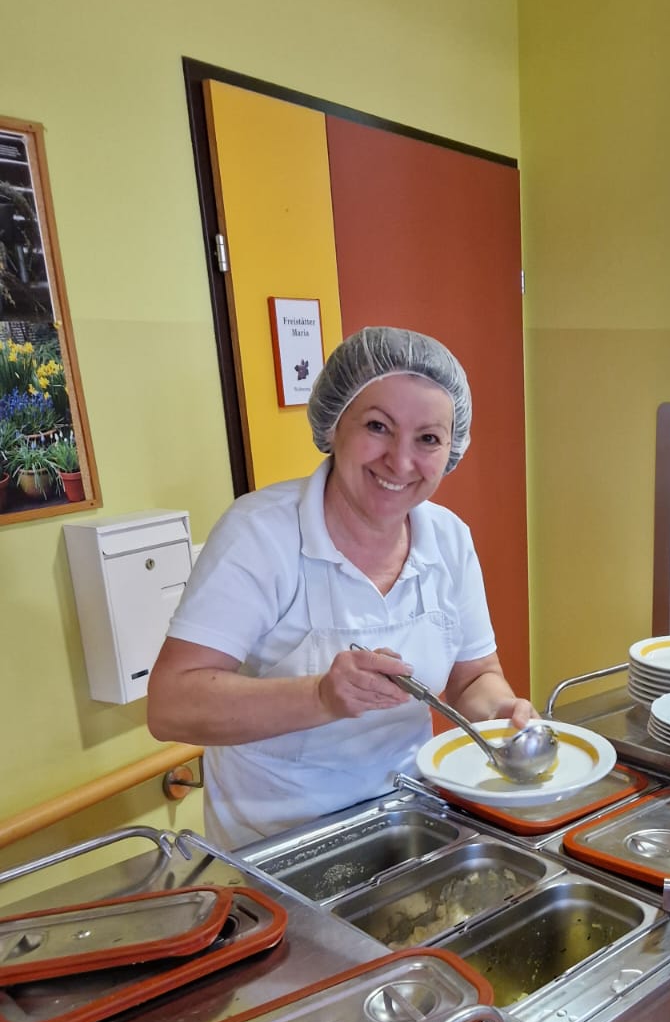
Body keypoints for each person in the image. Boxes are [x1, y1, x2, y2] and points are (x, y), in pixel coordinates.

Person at [148, 327, 535, 850]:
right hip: (275, 849)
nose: (400, 461)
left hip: (411, 824)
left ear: (451, 448)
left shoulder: (448, 538)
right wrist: (321, 696)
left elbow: (474, 678)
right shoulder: (260, 534)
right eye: (378, 426)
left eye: (428, 438)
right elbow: (171, 704)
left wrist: (500, 715)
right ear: (334, 426)